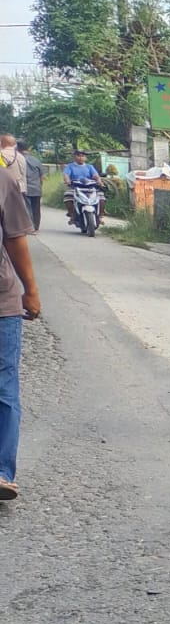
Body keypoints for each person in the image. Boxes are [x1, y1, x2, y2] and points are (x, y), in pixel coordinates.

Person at [0, 166, 41, 501]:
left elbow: (15, 236)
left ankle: (1, 472)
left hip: (1, 301)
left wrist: (31, 289)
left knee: (3, 385)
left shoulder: (2, 178)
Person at [62, 150, 101, 229]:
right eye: (78, 155)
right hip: (75, 187)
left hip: (90, 188)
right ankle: (72, 215)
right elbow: (66, 175)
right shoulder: (70, 166)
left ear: (85, 158)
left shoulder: (89, 166)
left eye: (82, 156)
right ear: (74, 157)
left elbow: (95, 175)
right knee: (68, 197)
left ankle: (100, 216)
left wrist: (99, 180)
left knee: (101, 197)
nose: (80, 158)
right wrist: (67, 180)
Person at [18, 143, 44, 230]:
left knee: (27, 208)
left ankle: (29, 227)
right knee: (36, 209)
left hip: (24, 188)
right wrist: (40, 187)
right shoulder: (36, 160)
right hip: (36, 188)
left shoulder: (18, 159)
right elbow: (41, 177)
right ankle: (36, 227)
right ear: (28, 149)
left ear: (18, 149)